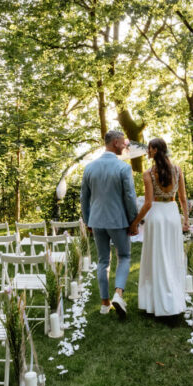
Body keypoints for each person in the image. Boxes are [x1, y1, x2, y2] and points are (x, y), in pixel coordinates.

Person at [80, 130, 139, 318]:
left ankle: (105, 304)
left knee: (103, 261)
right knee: (124, 256)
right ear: (115, 143)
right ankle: (118, 294)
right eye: (123, 143)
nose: (125, 147)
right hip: (118, 221)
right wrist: (133, 221)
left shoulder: (89, 168)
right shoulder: (123, 168)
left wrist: (88, 219)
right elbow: (130, 197)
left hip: (96, 221)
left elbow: (84, 198)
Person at [131, 137, 189, 318]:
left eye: (149, 149)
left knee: (156, 259)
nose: (147, 152)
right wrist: (186, 220)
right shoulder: (178, 170)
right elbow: (183, 199)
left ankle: (157, 303)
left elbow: (148, 204)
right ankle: (173, 301)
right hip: (172, 215)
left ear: (155, 150)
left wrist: (134, 222)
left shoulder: (148, 174)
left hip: (156, 216)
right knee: (172, 258)